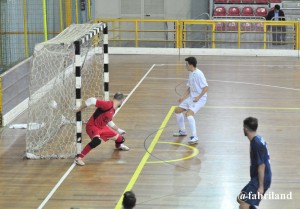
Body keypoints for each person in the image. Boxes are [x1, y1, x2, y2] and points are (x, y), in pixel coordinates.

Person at [74, 92, 129, 166]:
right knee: (96, 141)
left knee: (121, 139)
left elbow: (108, 121)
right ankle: (79, 158)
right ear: (122, 100)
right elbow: (92, 100)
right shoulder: (108, 105)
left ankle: (118, 146)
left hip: (103, 127)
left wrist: (118, 130)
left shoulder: (113, 109)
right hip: (93, 126)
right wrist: (79, 109)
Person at [237, 117, 272, 209]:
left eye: (243, 127)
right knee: (240, 199)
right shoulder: (258, 139)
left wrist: (261, 187)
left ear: (246, 129)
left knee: (243, 205)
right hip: (257, 178)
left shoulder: (256, 143)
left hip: (261, 179)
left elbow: (261, 166)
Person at [173, 56, 208, 144]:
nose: (186, 66)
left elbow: (206, 88)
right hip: (192, 98)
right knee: (177, 110)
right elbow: (189, 88)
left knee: (189, 114)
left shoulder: (199, 74)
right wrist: (182, 97)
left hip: (200, 99)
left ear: (191, 65)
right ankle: (182, 131)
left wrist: (198, 97)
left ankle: (194, 137)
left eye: (186, 64)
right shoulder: (191, 73)